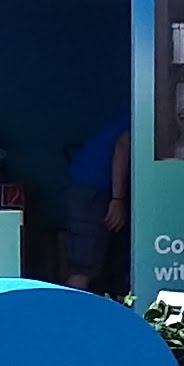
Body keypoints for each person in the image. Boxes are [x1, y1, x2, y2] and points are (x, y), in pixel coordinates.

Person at [63, 113, 130, 294]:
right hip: (90, 190)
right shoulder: (142, 114)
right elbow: (122, 147)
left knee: (105, 265)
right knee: (84, 268)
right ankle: (70, 310)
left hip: (94, 189)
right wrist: (118, 199)